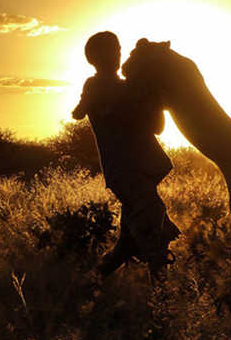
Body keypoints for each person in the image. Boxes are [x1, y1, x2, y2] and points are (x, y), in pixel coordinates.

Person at [72, 31, 180, 281]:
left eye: (118, 50)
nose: (117, 55)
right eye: (112, 51)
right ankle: (163, 303)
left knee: (128, 242)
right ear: (95, 58)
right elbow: (90, 109)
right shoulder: (102, 87)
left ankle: (89, 286)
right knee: (154, 231)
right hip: (128, 172)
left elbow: (156, 126)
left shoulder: (123, 88)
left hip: (135, 171)